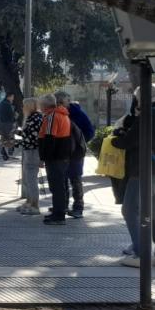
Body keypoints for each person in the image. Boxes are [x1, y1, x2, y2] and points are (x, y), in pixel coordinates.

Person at [110, 86, 155, 268]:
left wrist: (117, 137)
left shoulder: (148, 115)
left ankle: (141, 253)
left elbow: (128, 142)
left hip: (142, 169)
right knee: (153, 210)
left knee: (130, 209)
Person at [54, 91, 94, 219]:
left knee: (75, 179)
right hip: (63, 152)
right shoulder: (57, 114)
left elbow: (89, 131)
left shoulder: (78, 114)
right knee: (62, 179)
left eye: (61, 101)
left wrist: (79, 143)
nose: (60, 104)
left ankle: (78, 207)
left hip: (75, 153)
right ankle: (63, 205)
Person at [37, 93, 72, 225]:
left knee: (56, 186)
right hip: (62, 156)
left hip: (55, 157)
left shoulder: (52, 116)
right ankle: (58, 211)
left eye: (40, 104)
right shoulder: (63, 115)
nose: (39, 106)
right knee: (59, 186)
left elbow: (50, 139)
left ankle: (59, 215)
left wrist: (44, 158)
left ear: (45, 105)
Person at [14, 97, 43, 216]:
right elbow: (28, 135)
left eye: (24, 105)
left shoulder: (36, 118)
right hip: (29, 150)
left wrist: (15, 143)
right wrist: (17, 133)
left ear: (30, 106)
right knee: (27, 178)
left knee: (31, 179)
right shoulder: (32, 117)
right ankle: (29, 202)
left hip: (33, 151)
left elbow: (33, 139)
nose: (22, 108)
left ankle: (35, 206)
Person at [0, 92, 17, 160]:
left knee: (3, 137)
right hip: (8, 123)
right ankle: (9, 153)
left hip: (2, 123)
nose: (13, 99)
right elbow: (11, 114)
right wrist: (15, 117)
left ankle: (3, 151)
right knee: (10, 138)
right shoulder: (8, 104)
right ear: (9, 96)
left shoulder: (1, 103)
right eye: (12, 97)